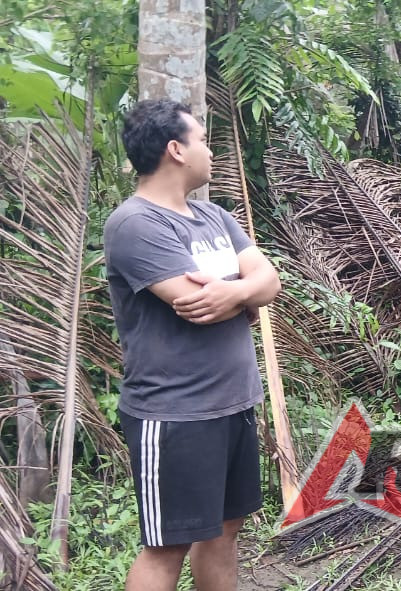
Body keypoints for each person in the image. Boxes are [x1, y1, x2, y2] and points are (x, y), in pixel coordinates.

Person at [105, 99, 281, 591]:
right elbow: (197, 305)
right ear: (176, 150)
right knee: (167, 547)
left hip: (233, 403)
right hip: (175, 412)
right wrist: (244, 292)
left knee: (225, 532)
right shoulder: (136, 224)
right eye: (202, 140)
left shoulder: (214, 216)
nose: (210, 151)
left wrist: (238, 293)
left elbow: (270, 279)